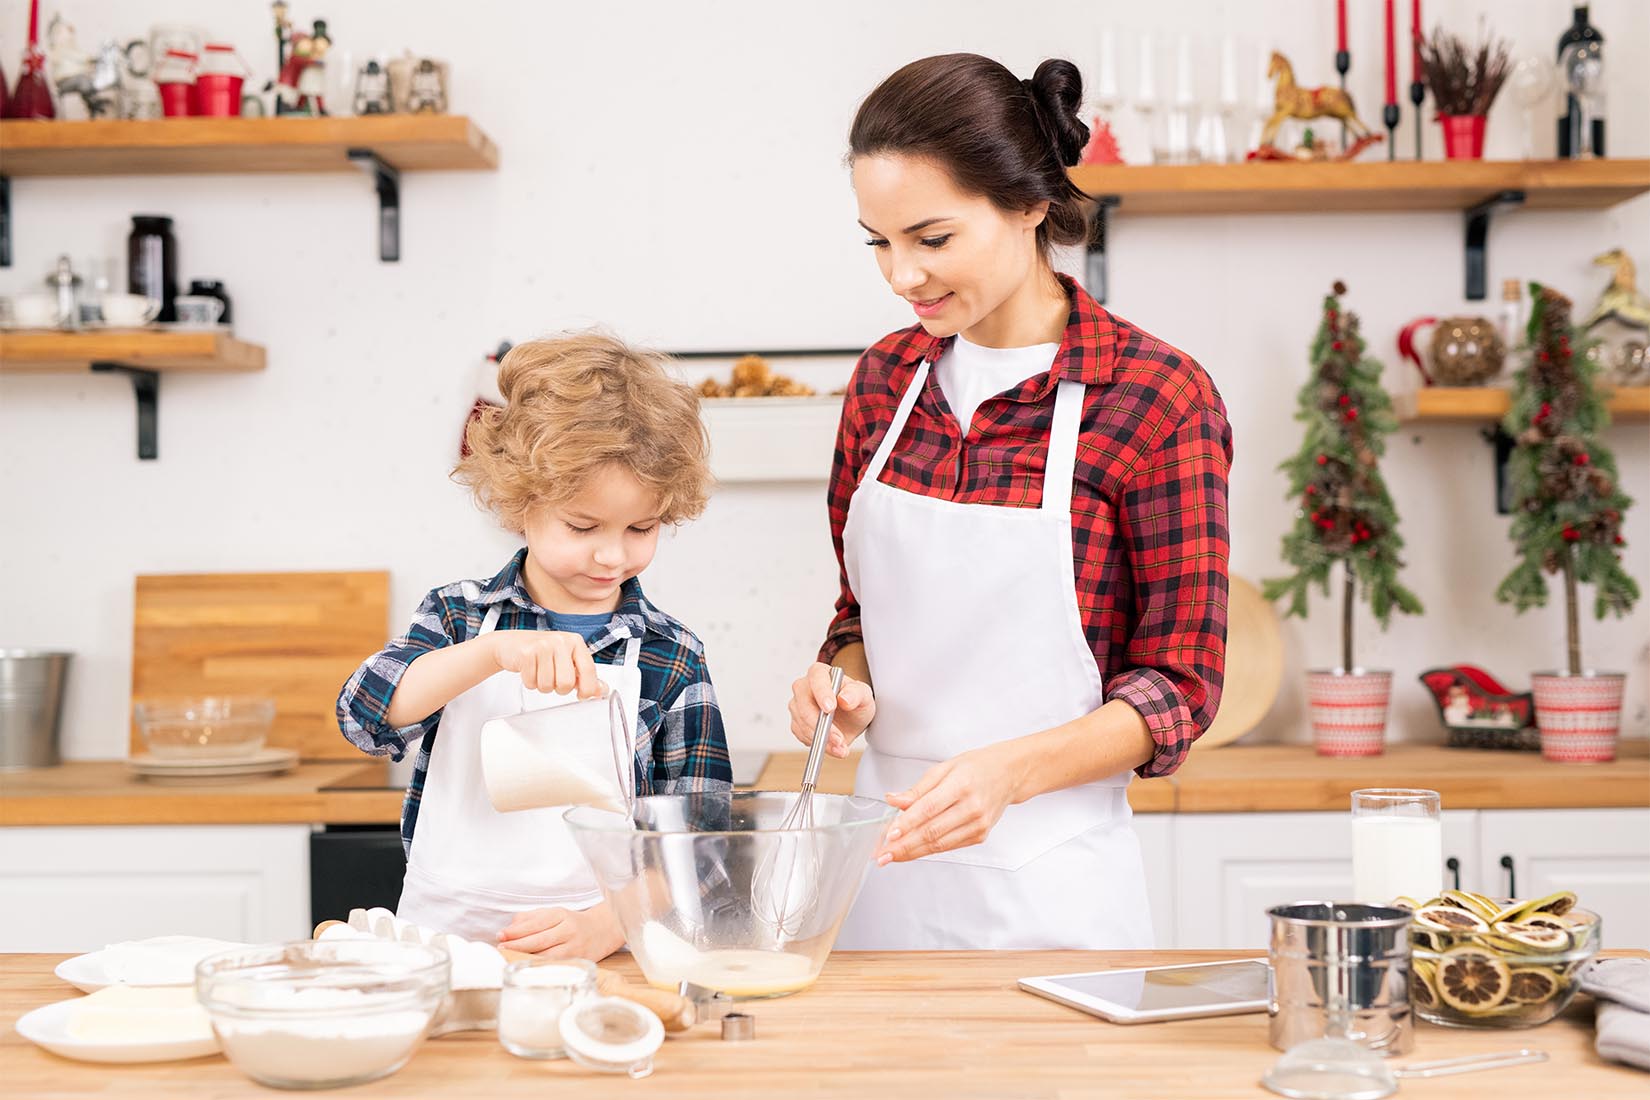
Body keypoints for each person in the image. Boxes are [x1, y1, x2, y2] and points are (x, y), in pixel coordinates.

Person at [789, 54, 1233, 950]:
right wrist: (842, 682)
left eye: (932, 239)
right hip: (884, 873)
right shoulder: (883, 382)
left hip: (1056, 889)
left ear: (1030, 204)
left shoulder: (1155, 396)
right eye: (878, 243)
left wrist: (1009, 774)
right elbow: (860, 614)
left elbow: (1180, 685)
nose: (902, 275)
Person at [338, 332, 732, 956]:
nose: (612, 555)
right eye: (583, 526)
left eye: (641, 528)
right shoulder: (457, 618)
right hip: (440, 944)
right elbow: (363, 716)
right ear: (520, 505)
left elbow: (702, 840)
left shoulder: (671, 653)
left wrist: (608, 925)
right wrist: (489, 654)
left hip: (597, 947)